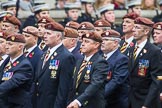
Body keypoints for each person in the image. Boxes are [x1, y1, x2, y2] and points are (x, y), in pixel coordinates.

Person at [35, 21, 76, 108]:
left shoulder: (66, 56)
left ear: (58, 36)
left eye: (48, 33)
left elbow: (63, 89)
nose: (44, 36)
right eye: (45, 33)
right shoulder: (44, 54)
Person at [67, 31, 109, 108]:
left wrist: (78, 101)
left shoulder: (100, 62)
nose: (82, 44)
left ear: (96, 45)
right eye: (82, 41)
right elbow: (73, 83)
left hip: (90, 104)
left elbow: (95, 84)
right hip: (75, 103)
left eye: (87, 42)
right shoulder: (80, 61)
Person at [128, 17, 162, 108]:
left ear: (146, 31)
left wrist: (147, 104)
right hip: (130, 100)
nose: (133, 30)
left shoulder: (154, 51)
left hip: (145, 100)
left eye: (137, 28)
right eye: (134, 27)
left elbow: (156, 80)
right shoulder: (131, 49)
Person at [0, 33, 33, 108]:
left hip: (16, 105)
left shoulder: (24, 65)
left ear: (20, 47)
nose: (6, 46)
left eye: (10, 44)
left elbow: (12, 82)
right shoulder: (7, 61)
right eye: (6, 43)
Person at [101, 29, 129, 108]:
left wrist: (99, 94)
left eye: (106, 40)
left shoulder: (122, 59)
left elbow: (116, 81)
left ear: (115, 43)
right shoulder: (100, 58)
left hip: (115, 103)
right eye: (102, 40)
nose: (103, 42)